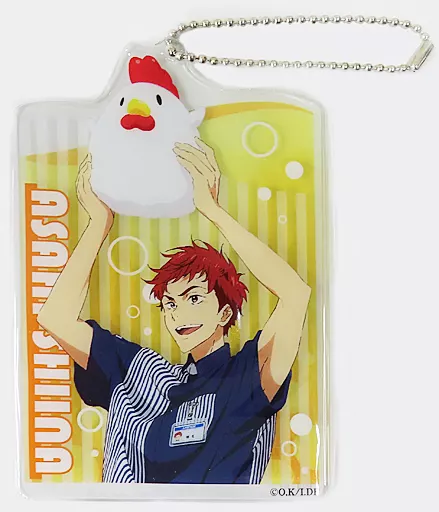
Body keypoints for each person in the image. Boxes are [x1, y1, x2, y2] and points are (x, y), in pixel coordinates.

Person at [37, 138, 311, 484]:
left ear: (225, 313)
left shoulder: (245, 378)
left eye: (194, 298)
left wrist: (212, 210)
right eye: (170, 303)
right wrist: (99, 223)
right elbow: (55, 318)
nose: (179, 314)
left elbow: (295, 294)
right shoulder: (142, 373)